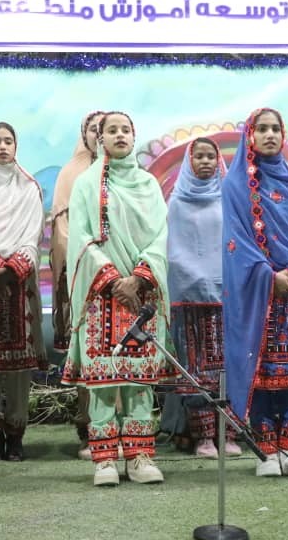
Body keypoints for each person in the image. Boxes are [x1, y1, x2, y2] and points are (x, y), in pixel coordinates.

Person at [61, 111, 174, 486]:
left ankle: (140, 457)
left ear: (134, 137)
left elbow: (160, 235)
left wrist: (139, 277)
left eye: (126, 130)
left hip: (142, 295)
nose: (120, 135)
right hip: (101, 295)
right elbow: (81, 238)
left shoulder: (148, 184)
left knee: (139, 383)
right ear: (100, 138)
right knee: (103, 382)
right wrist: (111, 278)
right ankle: (105, 460)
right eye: (112, 130)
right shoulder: (85, 184)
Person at [222, 107, 288, 477]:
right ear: (249, 136)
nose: (269, 135)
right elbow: (235, 241)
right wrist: (268, 277)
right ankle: (266, 451)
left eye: (275, 129)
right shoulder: (235, 186)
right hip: (256, 293)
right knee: (260, 370)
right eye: (261, 129)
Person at [163, 137, 242, 459]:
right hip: (189, 297)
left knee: (229, 366)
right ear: (190, 161)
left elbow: (237, 243)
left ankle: (230, 433)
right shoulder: (176, 202)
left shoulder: (229, 199)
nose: (206, 161)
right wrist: (195, 276)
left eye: (211, 156)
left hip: (226, 296)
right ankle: (204, 437)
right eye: (199, 156)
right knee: (195, 369)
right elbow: (173, 249)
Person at [0, 122, 47, 462]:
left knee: (18, 369)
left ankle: (16, 435)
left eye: (8, 141)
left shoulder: (28, 187)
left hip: (19, 283)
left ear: (16, 146)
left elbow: (33, 234)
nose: (3, 147)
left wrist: (10, 270)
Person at [50, 111, 104, 460]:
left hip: (121, 281)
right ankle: (88, 427)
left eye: (105, 128)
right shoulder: (71, 173)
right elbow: (64, 230)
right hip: (83, 276)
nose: (99, 135)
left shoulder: (128, 173)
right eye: (93, 129)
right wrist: (91, 260)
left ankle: (123, 429)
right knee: (86, 352)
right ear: (84, 134)